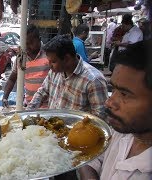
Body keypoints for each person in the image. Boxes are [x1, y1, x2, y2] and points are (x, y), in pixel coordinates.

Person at [79, 40, 152, 180]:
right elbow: (92, 158)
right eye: (114, 90)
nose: (109, 102)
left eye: (124, 94)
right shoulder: (123, 130)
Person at [27, 35, 108, 118]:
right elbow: (42, 92)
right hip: (53, 125)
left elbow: (100, 116)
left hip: (76, 130)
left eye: (53, 62)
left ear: (66, 59)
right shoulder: (55, 72)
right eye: (49, 61)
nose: (49, 65)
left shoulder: (94, 80)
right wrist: (27, 113)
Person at [2, 24, 50, 108]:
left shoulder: (49, 55)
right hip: (29, 106)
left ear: (39, 40)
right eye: (25, 44)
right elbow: (12, 79)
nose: (27, 47)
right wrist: (5, 97)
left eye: (31, 43)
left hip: (47, 107)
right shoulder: (21, 57)